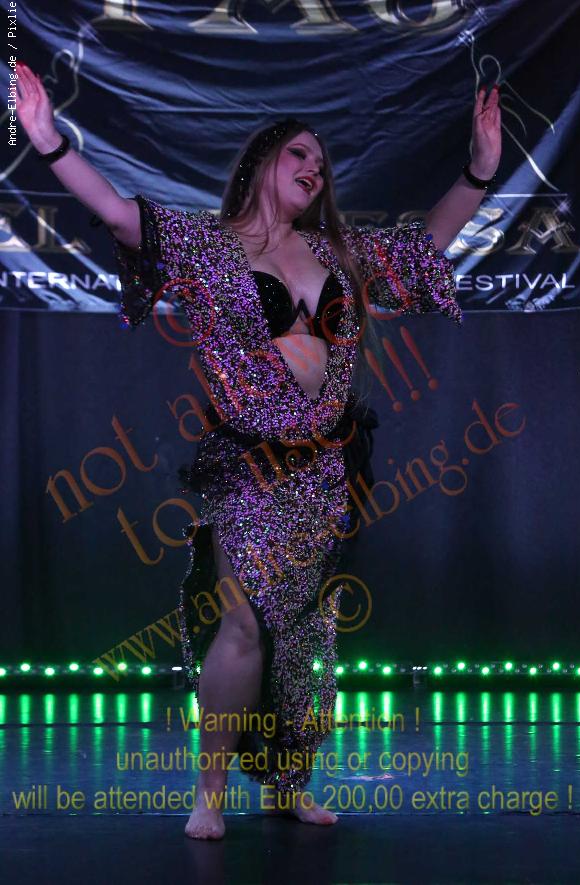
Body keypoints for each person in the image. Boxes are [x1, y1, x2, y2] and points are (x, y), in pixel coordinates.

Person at [14, 62, 501, 840]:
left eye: (322, 163)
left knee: (306, 632)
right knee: (242, 622)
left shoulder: (340, 252)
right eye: (299, 154)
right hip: (249, 466)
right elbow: (114, 210)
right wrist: (47, 139)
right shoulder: (206, 247)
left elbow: (427, 244)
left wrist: (480, 168)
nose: (315, 169)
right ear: (261, 163)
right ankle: (208, 792)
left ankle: (289, 782)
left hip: (326, 470)